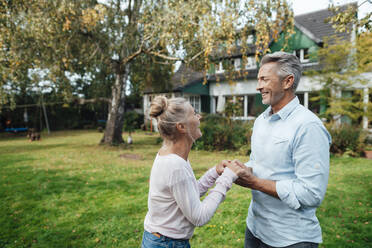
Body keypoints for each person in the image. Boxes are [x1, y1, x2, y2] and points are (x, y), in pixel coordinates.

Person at [229, 52, 331, 248]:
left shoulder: (308, 126)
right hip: (255, 229)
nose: (258, 86)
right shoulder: (261, 120)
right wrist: (241, 170)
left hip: (291, 239)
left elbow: (311, 194)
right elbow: (258, 164)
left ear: (287, 82)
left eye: (264, 79)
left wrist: (256, 183)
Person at [142, 96, 243, 248]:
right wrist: (226, 179)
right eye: (194, 114)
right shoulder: (175, 166)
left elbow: (189, 194)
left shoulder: (172, 156)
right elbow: (199, 217)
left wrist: (214, 173)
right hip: (166, 243)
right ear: (181, 127)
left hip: (162, 240)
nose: (199, 116)